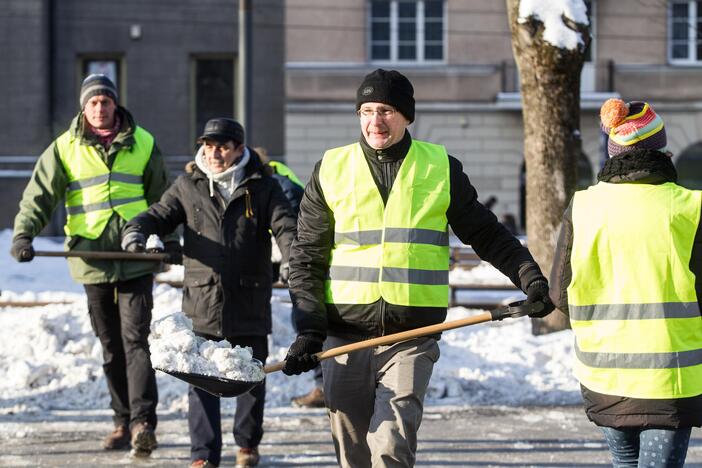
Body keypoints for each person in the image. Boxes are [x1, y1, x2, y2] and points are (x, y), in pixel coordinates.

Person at [282, 68, 554, 467]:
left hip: (413, 335)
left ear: (407, 116)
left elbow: (487, 234)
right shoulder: (331, 169)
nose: (376, 121)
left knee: (392, 448)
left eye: (388, 110)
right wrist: (308, 330)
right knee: (352, 455)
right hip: (343, 337)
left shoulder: (439, 167)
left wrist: (529, 276)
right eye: (368, 110)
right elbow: (306, 257)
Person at [10, 74, 175, 456]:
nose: (100, 107)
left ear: (116, 104)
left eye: (105, 100)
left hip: (134, 258)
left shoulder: (144, 143)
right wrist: (23, 235)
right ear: (83, 108)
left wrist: (168, 239)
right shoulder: (64, 148)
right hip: (91, 258)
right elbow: (39, 196)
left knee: (136, 342)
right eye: (93, 102)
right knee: (111, 346)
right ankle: (121, 420)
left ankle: (142, 423)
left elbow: (164, 199)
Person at [121, 118, 297, 468]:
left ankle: (247, 445)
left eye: (223, 146)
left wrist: (292, 261)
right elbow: (158, 215)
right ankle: (203, 455)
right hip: (202, 300)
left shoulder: (263, 187)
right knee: (200, 382)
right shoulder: (188, 186)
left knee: (250, 377)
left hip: (249, 297)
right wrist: (137, 231)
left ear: (238, 148)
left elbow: (286, 227)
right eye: (208, 145)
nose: (214, 153)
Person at [550, 98, 702, 467]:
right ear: (662, 151)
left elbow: (560, 292)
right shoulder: (690, 207)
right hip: (669, 379)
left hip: (603, 376)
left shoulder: (583, 206)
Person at [254, 146, 325, 408]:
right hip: (285, 257)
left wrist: (289, 262)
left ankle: (324, 384)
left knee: (309, 320)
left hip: (299, 260)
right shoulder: (275, 177)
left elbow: (292, 228)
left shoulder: (276, 184)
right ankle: (324, 383)